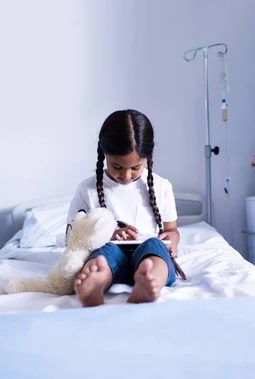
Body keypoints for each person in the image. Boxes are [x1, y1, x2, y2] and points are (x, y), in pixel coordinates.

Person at [66, 109, 185, 307]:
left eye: (135, 168)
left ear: (147, 157)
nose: (126, 175)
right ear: (104, 153)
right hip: (110, 252)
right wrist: (107, 235)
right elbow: (71, 239)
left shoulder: (161, 186)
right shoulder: (87, 190)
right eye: (117, 166)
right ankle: (96, 283)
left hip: (148, 251)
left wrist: (172, 238)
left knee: (154, 247)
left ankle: (149, 280)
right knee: (105, 253)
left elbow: (171, 229)